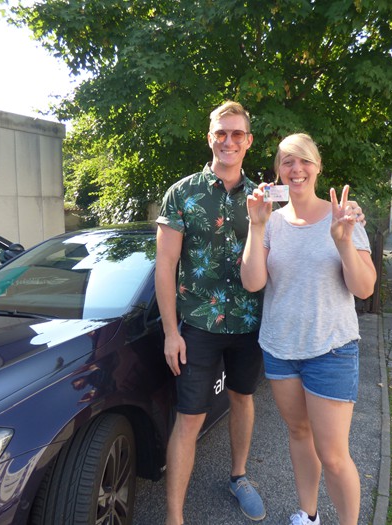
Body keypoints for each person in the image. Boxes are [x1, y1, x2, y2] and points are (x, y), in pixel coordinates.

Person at [240, 133, 377, 525]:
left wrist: (343, 242)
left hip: (331, 349)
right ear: (278, 170)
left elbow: (364, 288)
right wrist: (256, 226)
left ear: (317, 167)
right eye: (287, 161)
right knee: (299, 433)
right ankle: (309, 515)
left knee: (333, 455)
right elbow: (252, 282)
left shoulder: (343, 217)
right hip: (280, 348)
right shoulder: (270, 221)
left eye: (304, 161)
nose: (296, 169)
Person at [155, 101, 266, 524]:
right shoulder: (182, 193)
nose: (228, 141)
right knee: (189, 419)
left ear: (248, 141)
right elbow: (165, 265)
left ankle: (239, 477)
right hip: (198, 325)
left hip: (248, 322)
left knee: (243, 398)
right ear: (210, 138)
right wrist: (171, 332)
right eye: (221, 133)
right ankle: (175, 517)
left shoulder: (263, 198)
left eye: (237, 134)